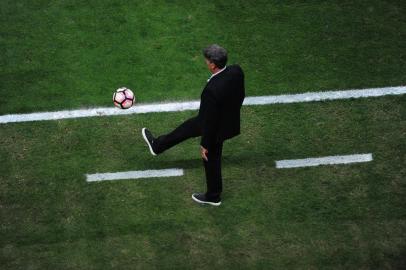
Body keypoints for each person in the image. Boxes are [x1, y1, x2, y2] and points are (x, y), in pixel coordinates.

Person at [142, 44, 245, 206]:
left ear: (213, 65)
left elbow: (210, 122)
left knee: (211, 158)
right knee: (188, 127)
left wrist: (205, 144)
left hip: (216, 127)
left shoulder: (211, 90)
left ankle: (213, 196)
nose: (205, 62)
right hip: (224, 120)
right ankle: (157, 145)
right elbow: (240, 95)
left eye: (207, 60)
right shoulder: (236, 71)